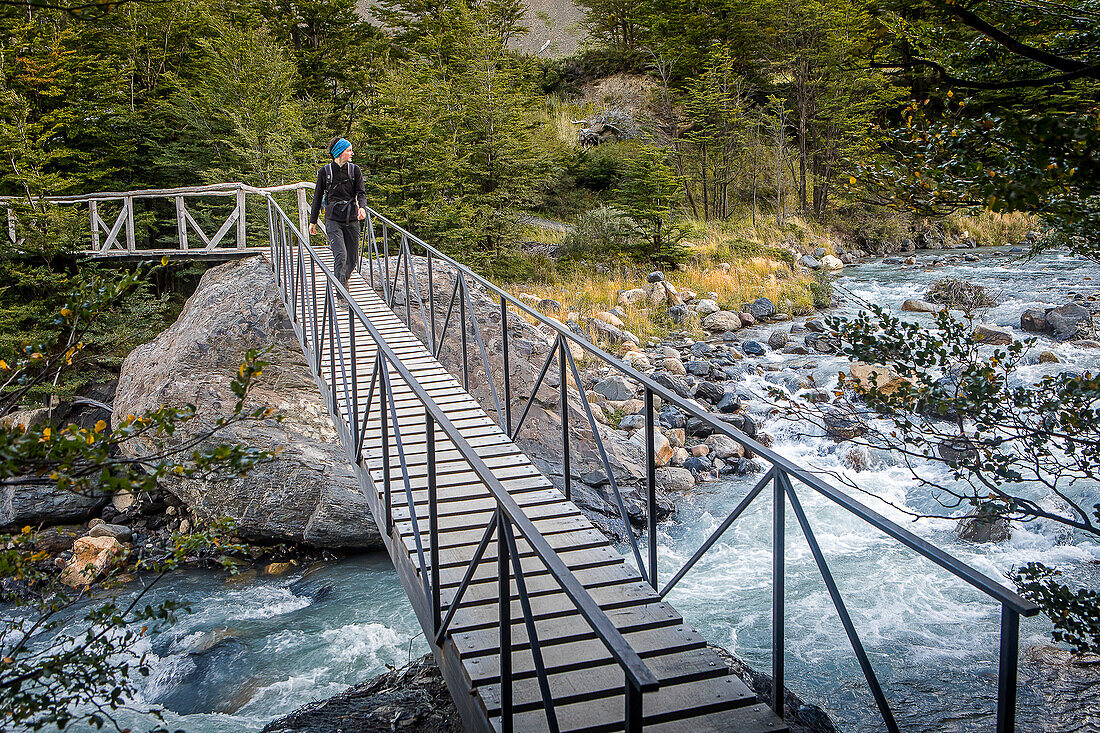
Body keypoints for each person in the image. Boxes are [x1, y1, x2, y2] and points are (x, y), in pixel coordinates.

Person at [308, 137, 368, 297]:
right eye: (349, 150)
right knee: (341, 255)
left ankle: (339, 280)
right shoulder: (325, 172)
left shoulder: (354, 170)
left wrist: (362, 207)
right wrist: (313, 221)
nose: (352, 153)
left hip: (352, 219)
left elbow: (361, 193)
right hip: (333, 219)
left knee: (352, 259)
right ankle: (342, 294)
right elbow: (317, 196)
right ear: (340, 152)